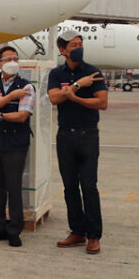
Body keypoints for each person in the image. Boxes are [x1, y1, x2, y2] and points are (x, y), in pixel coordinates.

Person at [48, 30, 108, 255]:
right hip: (65, 137)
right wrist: (76, 86)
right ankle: (77, 231)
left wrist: (74, 96)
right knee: (70, 187)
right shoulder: (56, 73)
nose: (78, 48)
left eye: (80, 44)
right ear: (63, 50)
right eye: (74, 45)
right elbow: (54, 98)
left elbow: (102, 103)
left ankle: (94, 235)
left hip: (88, 136)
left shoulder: (93, 72)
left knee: (89, 187)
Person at [0, 46, 35, 247]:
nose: (12, 61)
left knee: (14, 187)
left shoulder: (27, 86)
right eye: (8, 58)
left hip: (15, 143)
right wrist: (11, 97)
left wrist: (1, 113)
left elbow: (22, 116)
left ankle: (14, 230)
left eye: (15, 58)